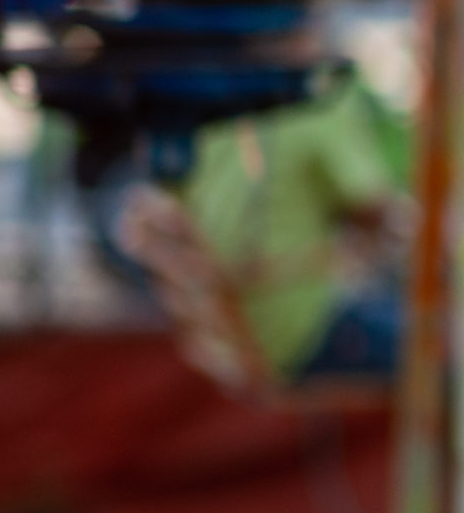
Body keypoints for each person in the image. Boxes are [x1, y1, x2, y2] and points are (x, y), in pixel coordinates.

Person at [169, 64, 409, 383]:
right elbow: (376, 210)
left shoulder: (208, 106)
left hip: (233, 337)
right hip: (297, 333)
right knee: (453, 351)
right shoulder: (313, 100)